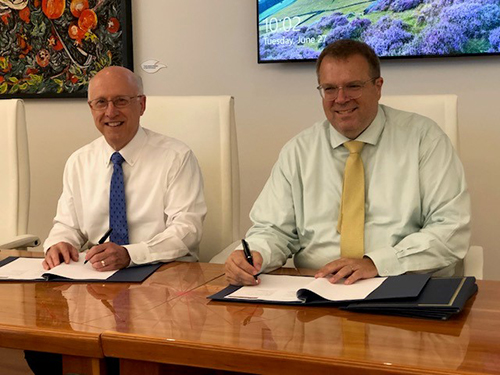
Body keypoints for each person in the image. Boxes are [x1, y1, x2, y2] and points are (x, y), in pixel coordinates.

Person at [225, 39, 470, 286]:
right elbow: (273, 229)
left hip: (402, 285)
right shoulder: (298, 151)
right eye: (329, 89)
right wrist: (256, 254)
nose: (340, 99)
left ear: (378, 87)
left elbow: (450, 230)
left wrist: (376, 263)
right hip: (317, 291)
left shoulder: (425, 140)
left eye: (353, 86)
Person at [42, 66, 207, 271]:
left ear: (142, 105)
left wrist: (131, 255)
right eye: (101, 102)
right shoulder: (79, 161)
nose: (111, 112)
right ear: (91, 108)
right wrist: (60, 243)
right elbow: (68, 225)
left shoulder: (177, 157)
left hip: (164, 273)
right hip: (99, 277)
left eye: (121, 101)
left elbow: (187, 230)